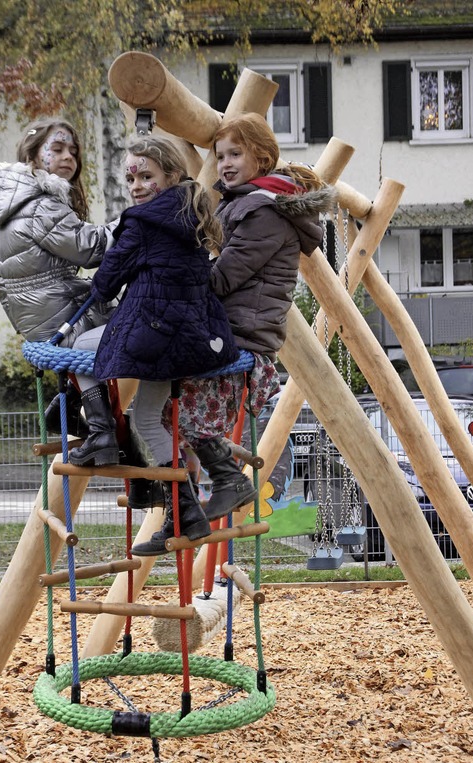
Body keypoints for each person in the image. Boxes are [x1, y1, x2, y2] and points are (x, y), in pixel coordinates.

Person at [67, 135, 240, 554]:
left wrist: (97, 284)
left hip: (155, 334)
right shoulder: (193, 214)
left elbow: (107, 280)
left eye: (146, 176)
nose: (137, 185)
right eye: (130, 177)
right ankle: (187, 516)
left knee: (76, 351)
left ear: (171, 174)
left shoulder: (143, 221)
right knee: (148, 418)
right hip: (190, 337)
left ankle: (102, 432)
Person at [164, 112, 337, 519]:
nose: (224, 163)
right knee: (167, 401)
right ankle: (184, 499)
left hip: (243, 336)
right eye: (219, 155)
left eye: (234, 153)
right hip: (229, 328)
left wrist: (174, 279)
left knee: (179, 408)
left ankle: (220, 483)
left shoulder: (265, 214)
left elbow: (223, 278)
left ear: (261, 158)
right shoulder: (243, 203)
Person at [0, 117, 157, 509]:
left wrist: (25, 317)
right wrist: (133, 221)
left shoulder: (6, 205)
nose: (68, 158)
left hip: (34, 313)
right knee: (121, 326)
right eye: (57, 149)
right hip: (59, 306)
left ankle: (92, 428)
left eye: (73, 152)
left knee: (96, 340)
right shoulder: (40, 204)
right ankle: (100, 430)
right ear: (32, 155)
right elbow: (90, 249)